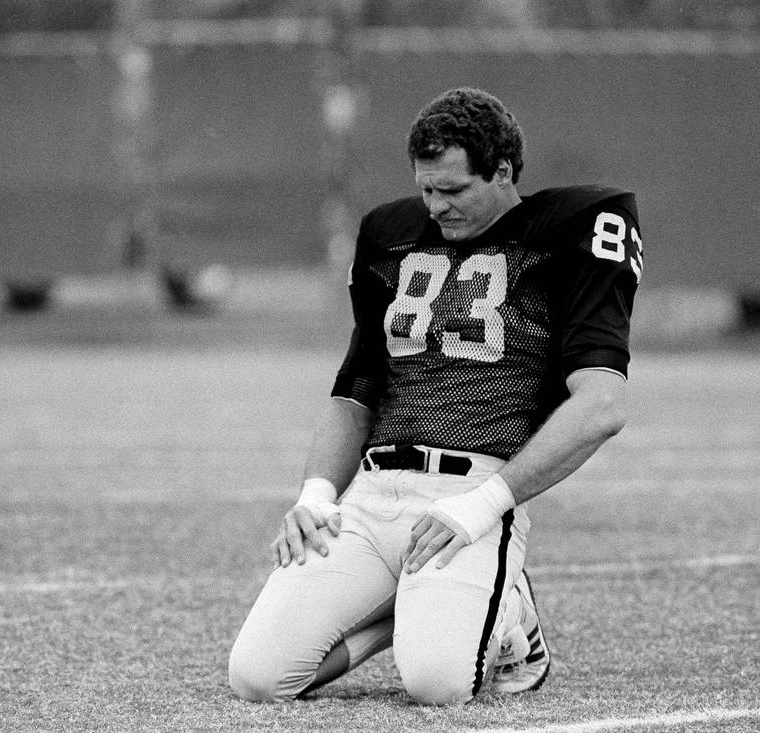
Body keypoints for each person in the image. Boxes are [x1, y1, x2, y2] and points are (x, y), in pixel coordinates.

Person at [228, 87, 642, 705]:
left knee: (438, 686)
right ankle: (405, 616)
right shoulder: (390, 234)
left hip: (470, 495)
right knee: (260, 677)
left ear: (503, 171)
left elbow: (602, 405)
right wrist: (316, 496)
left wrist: (482, 507)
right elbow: (356, 390)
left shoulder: (572, 227)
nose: (435, 206)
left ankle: (516, 622)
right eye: (426, 189)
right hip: (373, 497)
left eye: (453, 191)